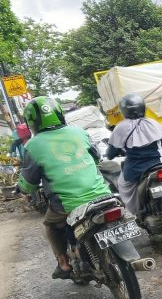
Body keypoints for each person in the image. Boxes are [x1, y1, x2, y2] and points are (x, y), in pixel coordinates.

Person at [17, 96, 111, 279]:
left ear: (31, 122)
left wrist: (22, 189)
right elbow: (96, 157)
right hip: (102, 194)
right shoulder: (79, 132)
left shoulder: (33, 146)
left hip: (67, 204)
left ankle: (64, 263)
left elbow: (29, 183)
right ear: (59, 113)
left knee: (51, 225)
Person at [106, 93, 162, 214]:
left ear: (124, 111)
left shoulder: (120, 128)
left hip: (135, 169)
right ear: (143, 107)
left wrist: (111, 154)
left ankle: (137, 212)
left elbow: (110, 153)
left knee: (123, 185)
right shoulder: (153, 123)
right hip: (160, 162)